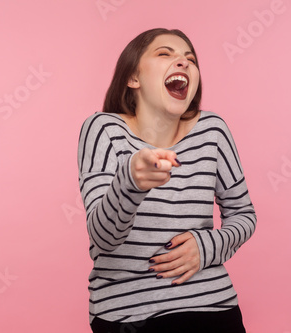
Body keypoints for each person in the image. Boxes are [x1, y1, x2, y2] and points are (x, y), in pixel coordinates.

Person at [78, 28, 257, 333]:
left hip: (212, 305)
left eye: (190, 58)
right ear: (133, 78)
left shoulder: (212, 130)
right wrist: (130, 181)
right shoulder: (103, 129)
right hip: (128, 315)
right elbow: (104, 238)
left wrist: (208, 245)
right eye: (165, 54)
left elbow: (244, 215)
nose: (183, 62)